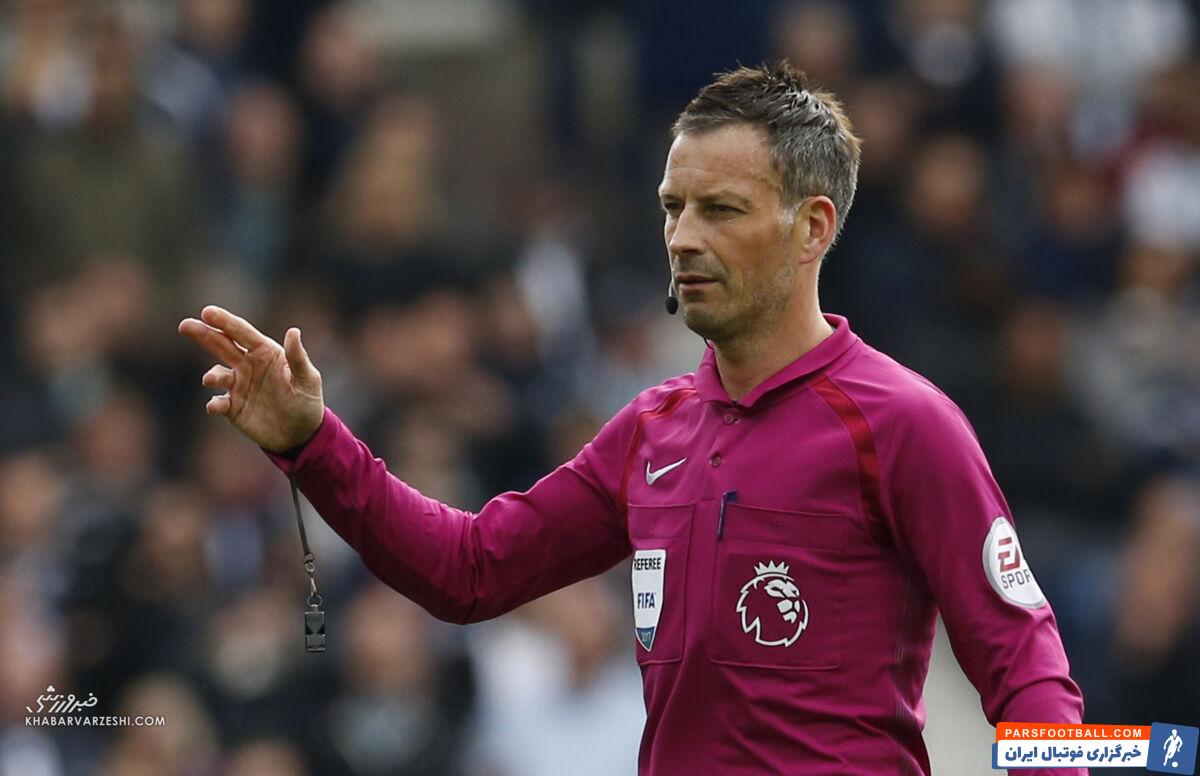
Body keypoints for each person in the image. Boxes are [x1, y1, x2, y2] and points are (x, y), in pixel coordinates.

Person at [180, 62, 1084, 775]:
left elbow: (1028, 670)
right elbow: (468, 570)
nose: (683, 237)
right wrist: (312, 443)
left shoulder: (904, 423)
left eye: (720, 210)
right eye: (672, 208)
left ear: (812, 228)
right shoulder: (654, 430)